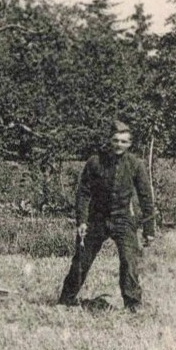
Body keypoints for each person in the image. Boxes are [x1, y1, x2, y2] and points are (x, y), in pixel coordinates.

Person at [58, 119, 156, 311]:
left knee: (129, 260)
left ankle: (133, 304)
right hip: (96, 219)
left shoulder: (136, 164)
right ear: (110, 141)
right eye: (116, 140)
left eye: (124, 141)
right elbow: (83, 193)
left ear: (130, 144)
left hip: (123, 219)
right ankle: (66, 300)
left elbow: (146, 197)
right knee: (82, 259)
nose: (119, 145)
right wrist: (82, 221)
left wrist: (149, 229)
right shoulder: (95, 162)